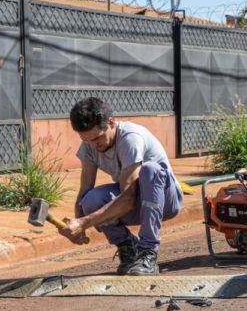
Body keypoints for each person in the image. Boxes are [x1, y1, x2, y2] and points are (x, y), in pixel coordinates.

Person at [59, 97, 183, 276]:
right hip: (136, 202)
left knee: (150, 170)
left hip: (165, 201)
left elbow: (128, 198)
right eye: (87, 140)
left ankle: (148, 252)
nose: (94, 145)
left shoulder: (130, 138)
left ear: (111, 122)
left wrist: (84, 222)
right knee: (90, 201)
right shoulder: (89, 145)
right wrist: (78, 227)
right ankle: (128, 248)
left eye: (97, 138)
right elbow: (83, 192)